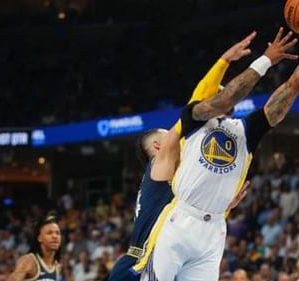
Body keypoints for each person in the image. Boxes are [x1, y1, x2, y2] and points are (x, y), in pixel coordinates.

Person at [139, 11, 299, 280]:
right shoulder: (194, 118)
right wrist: (266, 60)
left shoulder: (247, 131)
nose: (224, 92)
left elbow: (292, 87)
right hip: (179, 219)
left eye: (225, 88)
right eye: (220, 89)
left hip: (214, 229)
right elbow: (227, 98)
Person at [108, 32, 256, 281]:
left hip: (160, 259)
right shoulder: (160, 163)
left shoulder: (174, 179)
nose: (177, 137)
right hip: (141, 263)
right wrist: (223, 63)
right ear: (157, 146)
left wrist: (223, 206)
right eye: (169, 135)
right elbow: (193, 108)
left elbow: (193, 206)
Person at [8, 214, 61, 281]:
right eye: (49, 233)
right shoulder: (29, 261)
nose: (55, 236)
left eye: (57, 233)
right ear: (39, 238)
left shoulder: (57, 266)